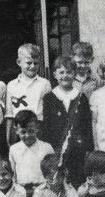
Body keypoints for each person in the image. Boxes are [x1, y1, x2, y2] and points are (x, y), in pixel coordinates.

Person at [40, 55, 94, 187]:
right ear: (55, 74)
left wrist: (88, 148)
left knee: (77, 180)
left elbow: (87, 125)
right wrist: (49, 148)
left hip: (78, 149)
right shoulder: (49, 98)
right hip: (57, 148)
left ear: (74, 74)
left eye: (69, 72)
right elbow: (46, 126)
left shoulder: (81, 97)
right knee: (58, 180)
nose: (65, 75)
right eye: (61, 72)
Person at [5, 43, 52, 146]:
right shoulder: (12, 85)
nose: (32, 66)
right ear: (19, 62)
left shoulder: (45, 84)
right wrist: (8, 137)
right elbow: (9, 114)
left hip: (38, 128)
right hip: (18, 129)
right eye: (29, 63)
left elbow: (48, 112)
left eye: (36, 63)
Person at [8, 110, 55, 197]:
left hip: (43, 190)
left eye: (31, 131)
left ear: (37, 128)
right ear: (16, 130)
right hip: (22, 191)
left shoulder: (46, 147)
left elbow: (53, 172)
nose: (27, 135)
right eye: (23, 132)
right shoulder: (14, 149)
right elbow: (13, 175)